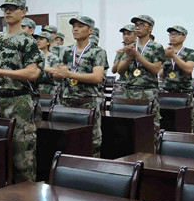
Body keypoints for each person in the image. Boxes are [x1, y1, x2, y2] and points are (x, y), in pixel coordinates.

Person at [0, 0, 41, 182]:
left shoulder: (27, 41)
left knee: (22, 158)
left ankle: (26, 197)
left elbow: (32, 73)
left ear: (23, 12)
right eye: (5, 8)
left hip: (18, 101)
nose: (8, 12)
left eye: (13, 8)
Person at [50, 16, 108, 156]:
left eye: (80, 26)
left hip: (87, 103)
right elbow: (58, 75)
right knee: (67, 142)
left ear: (90, 30)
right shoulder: (66, 51)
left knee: (91, 142)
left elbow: (97, 77)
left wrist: (69, 74)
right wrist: (57, 73)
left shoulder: (97, 52)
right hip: (66, 102)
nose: (75, 29)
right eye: (74, 26)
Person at [121, 14, 166, 139]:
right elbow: (119, 71)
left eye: (142, 25)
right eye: (136, 25)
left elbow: (155, 69)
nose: (137, 27)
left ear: (150, 28)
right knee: (129, 128)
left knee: (150, 128)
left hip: (148, 92)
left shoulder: (156, 47)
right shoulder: (130, 46)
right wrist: (128, 58)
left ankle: (153, 149)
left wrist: (137, 56)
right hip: (129, 91)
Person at [161, 25, 194, 131]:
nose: (173, 36)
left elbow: (188, 69)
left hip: (183, 93)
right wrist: (165, 58)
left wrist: (173, 56)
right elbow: (160, 73)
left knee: (186, 123)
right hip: (166, 92)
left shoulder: (190, 52)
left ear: (184, 37)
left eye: (177, 34)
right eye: (171, 34)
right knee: (166, 122)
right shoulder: (164, 52)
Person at [33, 30, 60, 96]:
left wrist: (41, 68)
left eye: (41, 39)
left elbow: (56, 72)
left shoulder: (53, 57)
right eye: (36, 39)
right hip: (34, 89)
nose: (38, 41)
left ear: (48, 42)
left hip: (49, 90)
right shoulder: (33, 56)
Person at [112, 24, 137, 90]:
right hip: (122, 84)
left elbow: (119, 70)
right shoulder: (121, 51)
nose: (126, 36)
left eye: (129, 34)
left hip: (135, 84)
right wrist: (119, 56)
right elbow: (114, 70)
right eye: (124, 34)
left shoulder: (138, 48)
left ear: (135, 34)